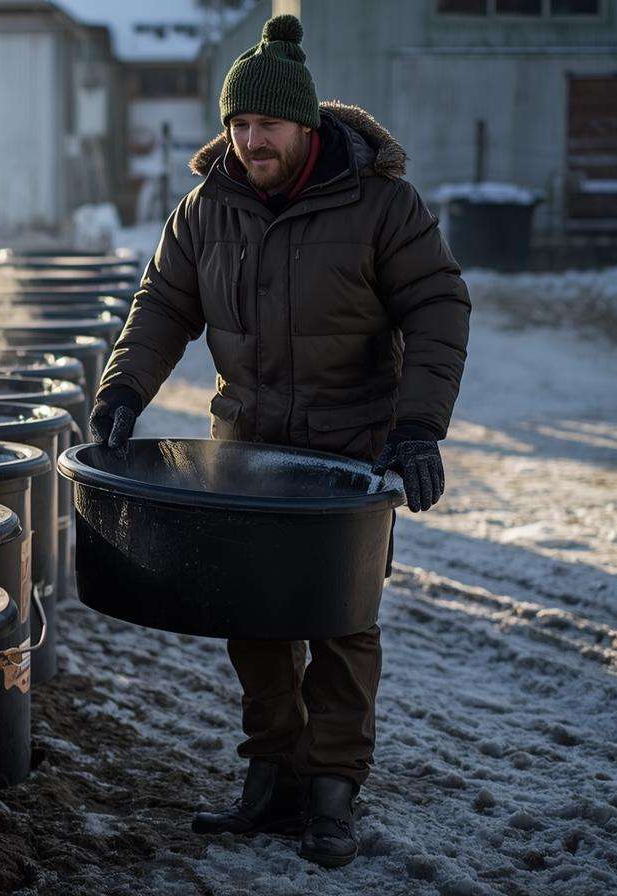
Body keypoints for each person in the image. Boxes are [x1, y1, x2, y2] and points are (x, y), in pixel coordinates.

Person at [88, 13, 470, 868]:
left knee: (340, 623)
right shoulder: (204, 210)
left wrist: (417, 428)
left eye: (265, 125)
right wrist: (123, 387)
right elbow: (162, 306)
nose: (249, 141)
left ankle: (332, 791)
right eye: (238, 124)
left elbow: (439, 306)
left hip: (350, 452)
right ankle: (274, 778)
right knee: (253, 615)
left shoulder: (382, 206)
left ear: (307, 125)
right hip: (249, 443)